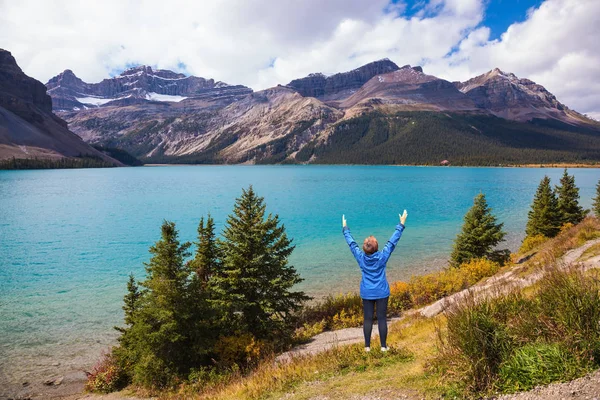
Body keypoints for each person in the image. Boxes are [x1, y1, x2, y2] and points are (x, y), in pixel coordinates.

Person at [342, 210, 407, 352]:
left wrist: (345, 228)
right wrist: (401, 224)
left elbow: (352, 244)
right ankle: (383, 347)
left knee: (367, 319)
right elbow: (392, 242)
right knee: (382, 319)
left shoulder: (360, 257)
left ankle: (367, 347)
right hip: (382, 291)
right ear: (376, 248)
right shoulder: (382, 257)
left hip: (367, 292)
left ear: (365, 248)